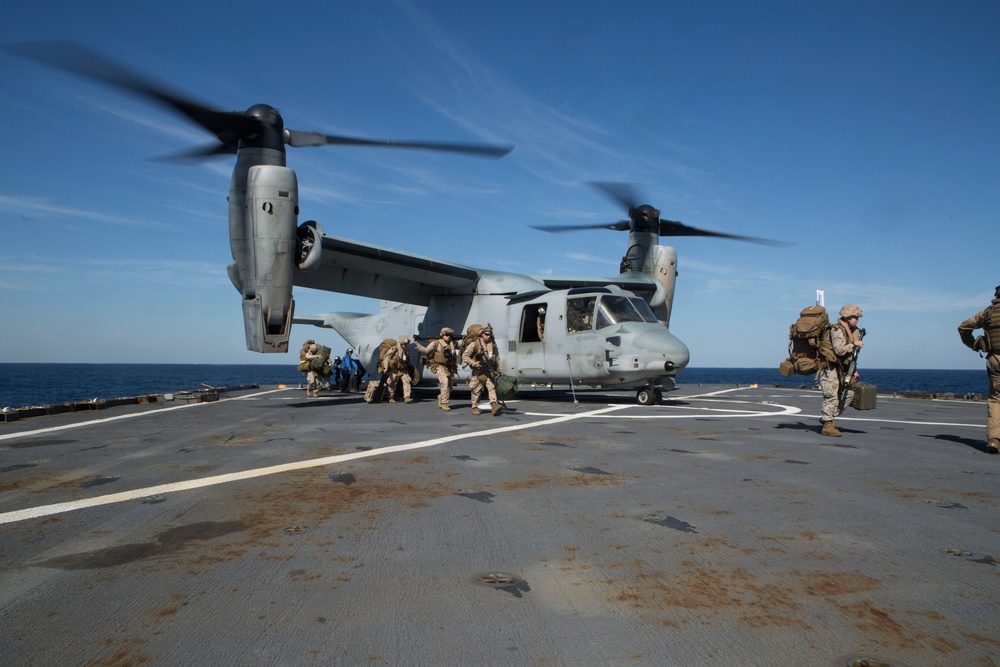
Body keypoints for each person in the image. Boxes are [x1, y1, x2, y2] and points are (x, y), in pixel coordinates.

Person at [958, 285, 1000, 453]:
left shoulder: (988, 313)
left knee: (996, 399)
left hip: (995, 359)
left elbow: (963, 327)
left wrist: (975, 345)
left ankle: (994, 439)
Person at [818, 304, 864, 437]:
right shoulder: (837, 330)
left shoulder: (852, 331)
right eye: (855, 317)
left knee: (849, 394)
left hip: (842, 368)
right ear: (848, 317)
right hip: (830, 367)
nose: (857, 320)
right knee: (831, 395)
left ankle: (828, 417)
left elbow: (850, 356)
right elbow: (839, 350)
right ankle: (828, 424)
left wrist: (853, 369)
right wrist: (854, 344)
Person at [414, 327, 459, 411]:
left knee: (450, 386)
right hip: (439, 366)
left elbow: (462, 347)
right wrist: (417, 344)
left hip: (450, 366)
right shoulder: (436, 343)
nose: (448, 337)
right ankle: (444, 403)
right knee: (444, 383)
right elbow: (426, 350)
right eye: (446, 335)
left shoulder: (453, 344)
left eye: (449, 335)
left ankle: (441, 397)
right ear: (442, 335)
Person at [462, 324, 502, 416]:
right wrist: (474, 363)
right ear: (482, 334)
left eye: (489, 334)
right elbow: (465, 356)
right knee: (476, 389)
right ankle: (475, 407)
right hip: (478, 370)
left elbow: (497, 357)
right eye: (486, 334)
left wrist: (499, 368)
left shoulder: (492, 344)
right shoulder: (475, 344)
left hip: (489, 369)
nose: (488, 336)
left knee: (491, 387)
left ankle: (494, 406)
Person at [382, 336, 413, 404]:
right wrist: (386, 367)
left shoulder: (406, 350)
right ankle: (391, 397)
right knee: (392, 382)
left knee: (407, 380)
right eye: (404, 344)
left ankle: (407, 397)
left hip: (403, 368)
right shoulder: (394, 349)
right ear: (401, 344)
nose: (406, 345)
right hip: (395, 368)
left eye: (406, 344)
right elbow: (387, 357)